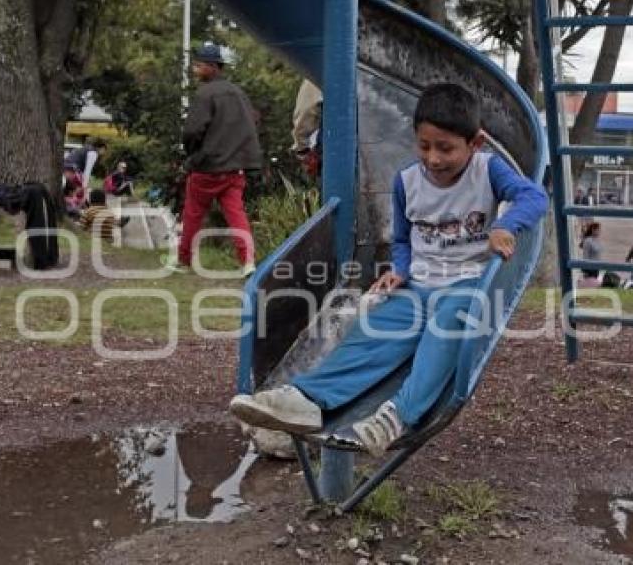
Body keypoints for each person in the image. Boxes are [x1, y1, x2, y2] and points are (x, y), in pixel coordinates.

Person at [228, 83, 548, 456]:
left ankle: (398, 416)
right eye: (424, 145)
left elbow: (534, 196)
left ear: (475, 143)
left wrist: (505, 226)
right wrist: (401, 268)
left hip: (468, 285)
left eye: (446, 148)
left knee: (446, 328)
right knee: (372, 335)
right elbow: (402, 238)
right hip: (420, 286)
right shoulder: (407, 182)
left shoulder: (488, 170)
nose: (433, 158)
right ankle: (307, 399)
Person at [173, 43, 261, 277]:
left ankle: (184, 260)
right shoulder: (238, 93)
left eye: (199, 65)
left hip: (207, 167)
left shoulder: (205, 93)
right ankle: (248, 261)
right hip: (234, 168)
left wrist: (191, 155)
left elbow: (193, 131)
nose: (195, 69)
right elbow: (253, 123)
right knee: (236, 214)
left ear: (212, 67)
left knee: (192, 213)